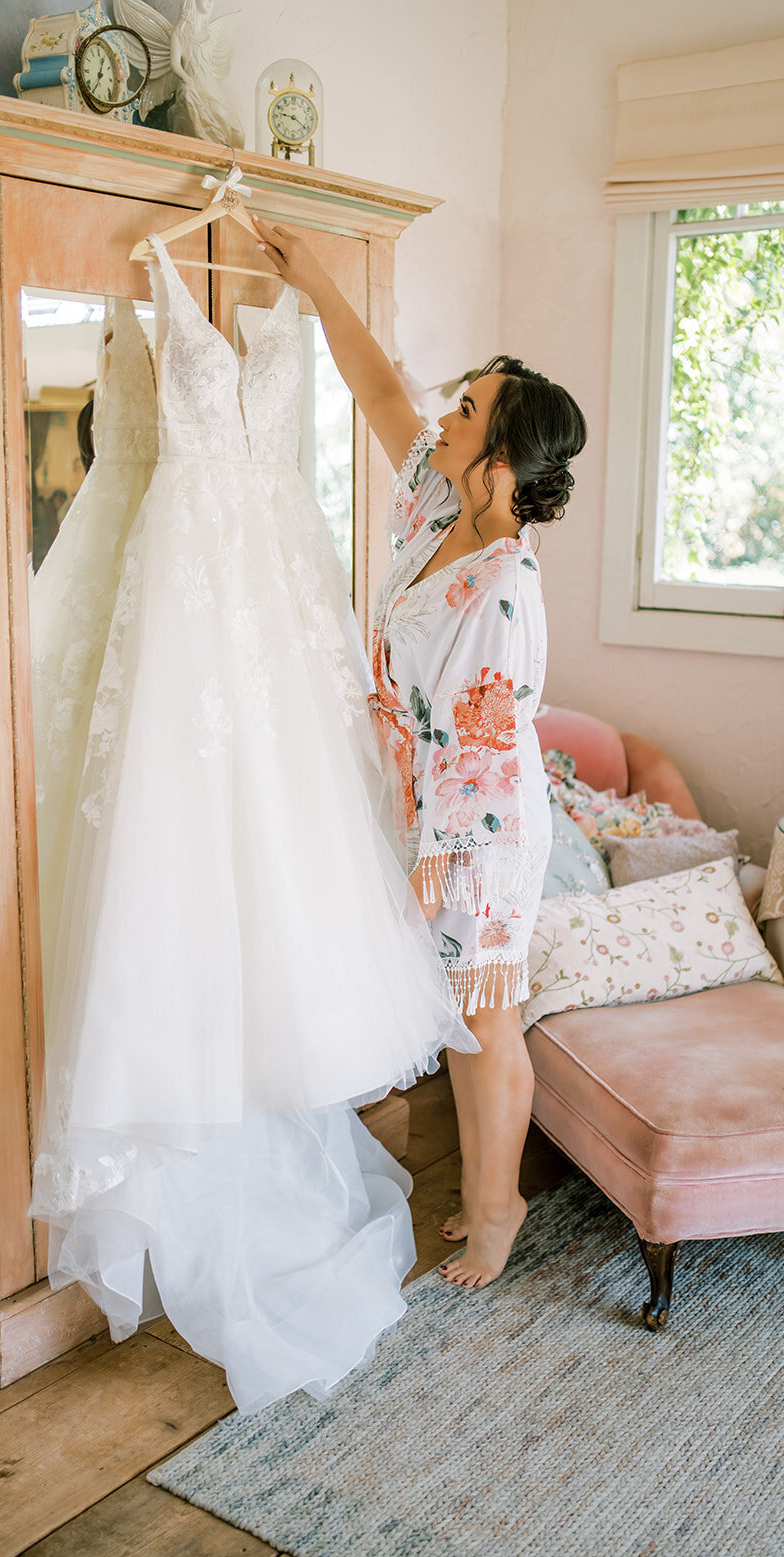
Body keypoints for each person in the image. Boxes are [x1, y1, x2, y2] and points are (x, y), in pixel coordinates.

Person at [255, 217, 587, 1290]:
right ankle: (494, 1192)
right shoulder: (438, 497)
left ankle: (495, 1210)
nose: (439, 414)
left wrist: (430, 858)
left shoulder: (500, 584)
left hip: (476, 832)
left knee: (483, 1020)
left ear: (502, 456)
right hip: (426, 808)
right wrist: (309, 276)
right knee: (458, 1018)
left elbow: (482, 758)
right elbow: (377, 388)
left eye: (465, 409)